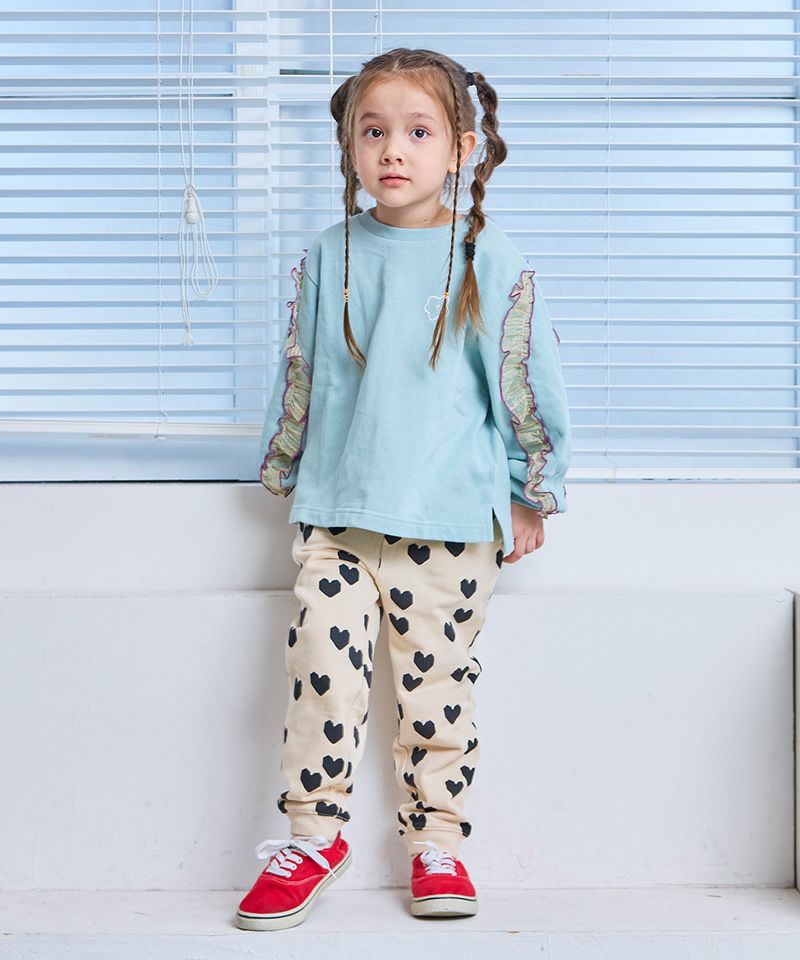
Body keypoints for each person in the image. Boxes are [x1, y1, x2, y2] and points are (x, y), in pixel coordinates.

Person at [236, 47, 571, 931]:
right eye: (373, 132)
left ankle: (438, 843)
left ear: (461, 148)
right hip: (339, 514)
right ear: (349, 146)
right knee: (320, 672)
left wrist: (532, 490)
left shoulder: (487, 257)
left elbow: (524, 379)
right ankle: (314, 837)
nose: (393, 150)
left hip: (452, 519)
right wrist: (283, 464)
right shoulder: (331, 251)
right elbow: (303, 368)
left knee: (438, 692)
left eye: (418, 132)